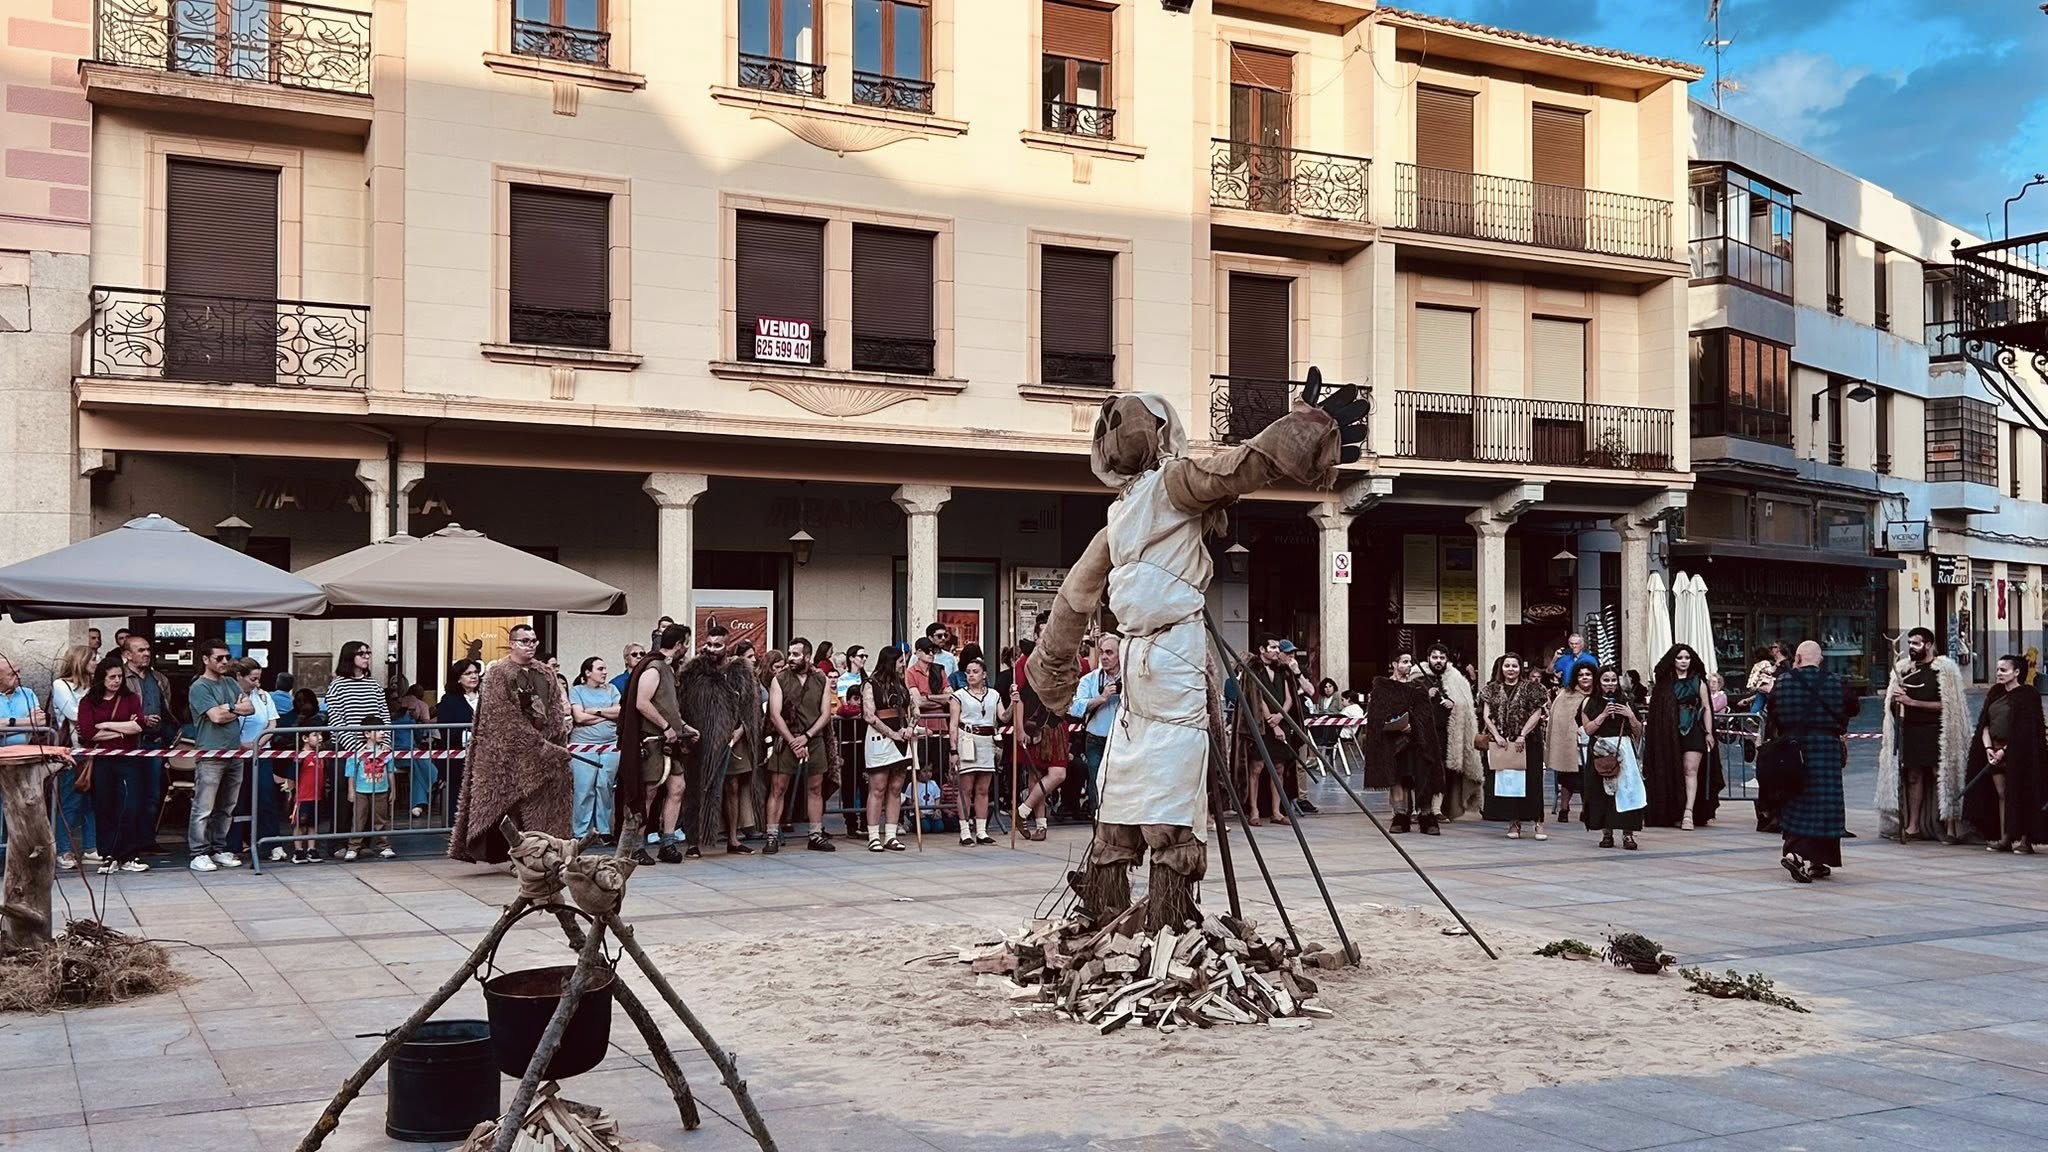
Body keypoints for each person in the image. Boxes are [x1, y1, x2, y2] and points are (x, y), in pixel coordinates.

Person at [448, 623, 573, 864]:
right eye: (525, 641)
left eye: (534, 640)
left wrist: (554, 741)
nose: (531, 645)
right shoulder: (499, 673)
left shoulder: (546, 673)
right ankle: (522, 857)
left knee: (545, 807)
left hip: (545, 752)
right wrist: (535, 743)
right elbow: (501, 717)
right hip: (511, 755)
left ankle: (546, 853)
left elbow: (556, 708)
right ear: (513, 643)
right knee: (513, 808)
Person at [1877, 626, 1969, 843]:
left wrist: (1913, 702)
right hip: (1911, 731)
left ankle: (1950, 826)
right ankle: (1913, 825)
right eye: (1909, 643)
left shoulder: (1945, 670)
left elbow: (1949, 705)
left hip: (1937, 731)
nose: (1911, 647)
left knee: (1942, 775)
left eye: (1916, 643)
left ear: (1928, 645)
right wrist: (1894, 700)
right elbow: (1891, 705)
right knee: (1913, 777)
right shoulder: (1902, 669)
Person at [1769, 641, 1851, 882]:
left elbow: (1774, 712)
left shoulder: (1783, 682)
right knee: (1824, 805)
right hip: (1826, 748)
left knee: (1797, 801)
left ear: (1796, 658)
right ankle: (1808, 857)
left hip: (1793, 750)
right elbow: (1852, 707)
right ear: (1821, 659)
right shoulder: (1837, 682)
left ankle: (1806, 858)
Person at [614, 623, 694, 865]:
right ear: (679, 645)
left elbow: (667, 705)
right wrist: (667, 727)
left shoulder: (668, 669)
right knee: (647, 793)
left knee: (677, 788)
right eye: (686, 643)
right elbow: (642, 703)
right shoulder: (653, 667)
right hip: (653, 741)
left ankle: (667, 843)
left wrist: (684, 728)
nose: (688, 648)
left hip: (670, 742)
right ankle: (637, 846)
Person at [678, 626, 756, 859]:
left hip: (731, 738)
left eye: (717, 645)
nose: (711, 649)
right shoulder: (693, 670)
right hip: (700, 738)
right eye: (709, 644)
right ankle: (694, 841)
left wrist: (741, 730)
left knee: (732, 787)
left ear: (727, 645)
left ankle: (733, 838)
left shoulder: (739, 670)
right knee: (697, 787)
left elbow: (750, 707)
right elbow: (683, 703)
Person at [1965, 653, 2046, 854]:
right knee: (2002, 794)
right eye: (1998, 669)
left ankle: (2026, 838)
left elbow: (2026, 730)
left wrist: (2004, 751)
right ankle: (2005, 837)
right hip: (1994, 750)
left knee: (2022, 792)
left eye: (2004, 670)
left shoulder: (2028, 695)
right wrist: (1988, 749)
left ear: (2016, 672)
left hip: (2021, 753)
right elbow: (1985, 723)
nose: (1999, 673)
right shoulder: (1994, 692)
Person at [79, 656, 150, 874]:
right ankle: (108, 855)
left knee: (130, 806)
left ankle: (128, 855)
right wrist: (123, 728)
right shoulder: (89, 701)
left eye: (119, 676)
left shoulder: (130, 698)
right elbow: (89, 732)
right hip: (102, 761)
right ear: (102, 678)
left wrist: (108, 725)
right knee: (104, 807)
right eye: (112, 677)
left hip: (128, 760)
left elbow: (138, 726)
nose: (117, 681)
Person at [186, 639, 252, 872]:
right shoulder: (199, 687)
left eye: (227, 657)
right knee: (204, 806)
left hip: (234, 752)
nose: (225, 662)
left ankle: (218, 848)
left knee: (227, 805)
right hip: (211, 753)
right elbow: (215, 717)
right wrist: (232, 708)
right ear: (205, 660)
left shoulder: (231, 683)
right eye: (219, 658)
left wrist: (227, 708)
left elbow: (249, 708)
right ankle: (198, 852)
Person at [323, 640, 392, 861]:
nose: (366, 656)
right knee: (346, 798)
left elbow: (385, 716)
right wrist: (357, 749)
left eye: (368, 653)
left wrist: (386, 744)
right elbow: (336, 719)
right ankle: (340, 842)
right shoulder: (337, 685)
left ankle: (363, 841)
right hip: (348, 751)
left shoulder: (373, 685)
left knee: (373, 798)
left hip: (376, 751)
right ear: (349, 657)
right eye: (360, 653)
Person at [763, 637, 832, 854]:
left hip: (813, 740)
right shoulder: (780, 679)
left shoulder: (821, 679)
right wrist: (794, 741)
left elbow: (826, 713)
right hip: (786, 739)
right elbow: (774, 714)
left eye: (795, 654)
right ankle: (772, 835)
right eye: (790, 653)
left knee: (815, 788)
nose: (790, 658)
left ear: (808, 656)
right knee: (778, 788)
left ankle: (815, 835)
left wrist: (808, 737)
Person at [1362, 653, 1442, 833]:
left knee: (1422, 774)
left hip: (1417, 741)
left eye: (1410, 662)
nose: (1408, 666)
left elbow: (1425, 714)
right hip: (1392, 742)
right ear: (1394, 664)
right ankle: (1401, 815)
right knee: (1397, 777)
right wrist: (1394, 724)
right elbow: (1377, 714)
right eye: (1405, 662)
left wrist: (1412, 725)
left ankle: (1426, 815)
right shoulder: (1382, 688)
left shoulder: (1418, 687)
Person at [1643, 643, 1721, 830]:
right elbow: (1657, 709)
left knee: (1690, 770)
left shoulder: (1699, 682)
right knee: (1671, 770)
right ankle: (1673, 810)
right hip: (1668, 731)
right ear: (1673, 660)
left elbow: (1707, 707)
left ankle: (1688, 813)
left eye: (1687, 658)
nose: (1684, 661)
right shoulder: (1665, 684)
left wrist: (1709, 732)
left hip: (1693, 728)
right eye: (1680, 658)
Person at [1480, 652, 1549, 840]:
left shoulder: (1533, 688)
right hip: (1503, 742)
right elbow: (1486, 715)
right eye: (1507, 666)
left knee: (1533, 781)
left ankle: (1538, 822)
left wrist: (1522, 735)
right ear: (1501, 668)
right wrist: (1496, 735)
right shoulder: (1492, 689)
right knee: (1510, 783)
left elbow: (1537, 713)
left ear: (1520, 668)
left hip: (1528, 742)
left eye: (1514, 666)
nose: (1511, 669)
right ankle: (1514, 822)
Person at [121, 634, 178, 854]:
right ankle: (129, 842)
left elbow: (167, 707)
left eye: (147, 649)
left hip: (154, 743)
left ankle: (147, 840)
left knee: (152, 794)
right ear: (127, 654)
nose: (145, 654)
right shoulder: (121, 678)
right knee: (130, 794)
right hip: (130, 743)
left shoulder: (159, 679)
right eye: (140, 650)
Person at [1580, 665, 1645, 849]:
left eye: (1613, 680)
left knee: (1627, 790)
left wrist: (1631, 716)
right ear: (1599, 682)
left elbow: (1638, 731)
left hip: (1623, 748)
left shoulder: (1626, 701)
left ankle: (1628, 834)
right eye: (1606, 680)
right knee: (1602, 792)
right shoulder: (1589, 702)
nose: (1610, 684)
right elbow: (1588, 729)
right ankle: (1606, 833)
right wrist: (1603, 715)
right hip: (1601, 748)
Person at [862, 645, 920, 852]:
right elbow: (869, 715)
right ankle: (873, 835)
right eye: (900, 661)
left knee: (896, 788)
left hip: (902, 738)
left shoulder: (902, 683)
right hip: (881, 739)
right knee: (878, 788)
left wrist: (910, 727)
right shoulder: (871, 684)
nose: (904, 665)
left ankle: (891, 834)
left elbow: (915, 709)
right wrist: (892, 733)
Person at [1418, 643, 1482, 824]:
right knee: (1422, 771)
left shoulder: (1456, 679)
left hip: (1447, 734)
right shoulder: (1416, 676)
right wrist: (1425, 695)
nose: (1438, 661)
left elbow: (1465, 704)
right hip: (1422, 734)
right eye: (1435, 657)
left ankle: (1437, 809)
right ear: (1428, 658)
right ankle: (1420, 809)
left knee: (1444, 771)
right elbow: (1409, 700)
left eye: (1442, 658)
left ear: (1447, 659)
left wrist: (1453, 704)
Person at [1012, 640, 1068, 841]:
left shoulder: (1064, 659)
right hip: (1034, 725)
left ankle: (1022, 811)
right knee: (1036, 777)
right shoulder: (1025, 662)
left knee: (1057, 774)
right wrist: (1019, 728)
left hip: (1056, 724)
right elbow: (1018, 697)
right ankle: (1041, 825)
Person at [229, 658, 284, 862]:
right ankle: (234, 843)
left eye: (259, 679)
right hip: (236, 753)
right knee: (236, 800)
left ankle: (272, 842)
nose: (256, 683)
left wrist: (259, 743)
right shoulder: (230, 696)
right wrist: (242, 744)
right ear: (239, 677)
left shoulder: (263, 696)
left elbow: (272, 722)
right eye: (253, 679)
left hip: (262, 752)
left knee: (265, 796)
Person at [49, 644, 99, 869]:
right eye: (92, 659)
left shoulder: (95, 686)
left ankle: (91, 847)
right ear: (80, 661)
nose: (96, 663)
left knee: (92, 802)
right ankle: (63, 849)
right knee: (70, 800)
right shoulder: (61, 685)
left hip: (95, 749)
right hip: (73, 751)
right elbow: (73, 713)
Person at [1240, 636, 1298, 826]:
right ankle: (1254, 810)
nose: (1275, 650)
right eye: (1272, 647)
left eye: (1277, 648)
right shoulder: (1254, 670)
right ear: (1262, 649)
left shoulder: (1282, 671)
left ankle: (1276, 811)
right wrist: (1272, 723)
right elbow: (1258, 699)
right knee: (1257, 767)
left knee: (1279, 767)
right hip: (1263, 726)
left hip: (1280, 721)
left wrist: (1281, 716)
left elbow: (1289, 698)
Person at [568, 656, 622, 844]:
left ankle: (603, 829)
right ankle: (581, 831)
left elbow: (620, 712)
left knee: (604, 786)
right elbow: (580, 718)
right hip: (583, 747)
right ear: (587, 673)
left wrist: (595, 711)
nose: (604, 672)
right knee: (584, 788)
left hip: (610, 745)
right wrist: (607, 716)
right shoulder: (577, 691)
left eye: (605, 668)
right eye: (600, 669)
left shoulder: (612, 690)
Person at [951, 655, 1002, 845]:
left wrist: (1015, 702)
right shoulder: (959, 695)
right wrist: (953, 749)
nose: (971, 675)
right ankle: (965, 830)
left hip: (987, 740)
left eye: (975, 672)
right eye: (969, 672)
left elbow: (1003, 716)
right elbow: (953, 723)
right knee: (966, 788)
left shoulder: (994, 694)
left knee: (983, 788)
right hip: (967, 739)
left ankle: (981, 830)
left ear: (984, 674)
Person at [1069, 634, 1121, 818]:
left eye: (1110, 653)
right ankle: (1098, 820)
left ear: (1120, 654)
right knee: (1096, 781)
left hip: (1122, 740)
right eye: (1102, 653)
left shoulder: (1130, 680)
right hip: (1096, 739)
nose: (1105, 657)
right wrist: (1101, 698)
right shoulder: (1090, 679)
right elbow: (1074, 708)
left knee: (1121, 783)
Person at [1546, 662, 1594, 823]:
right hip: (1570, 742)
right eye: (1581, 675)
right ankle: (1564, 808)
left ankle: (1586, 808)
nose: (1585, 678)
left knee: (1587, 776)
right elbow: (1559, 718)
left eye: (1588, 674)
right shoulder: (1566, 695)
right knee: (1568, 776)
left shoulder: (1598, 695)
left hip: (1592, 741)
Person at [0, 653, 49, 745]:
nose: (19, 677)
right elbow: (33, 723)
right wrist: (27, 724)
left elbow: (40, 722)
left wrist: (8, 723)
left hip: (25, 751)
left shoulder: (27, 693)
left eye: (19, 672)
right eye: (13, 674)